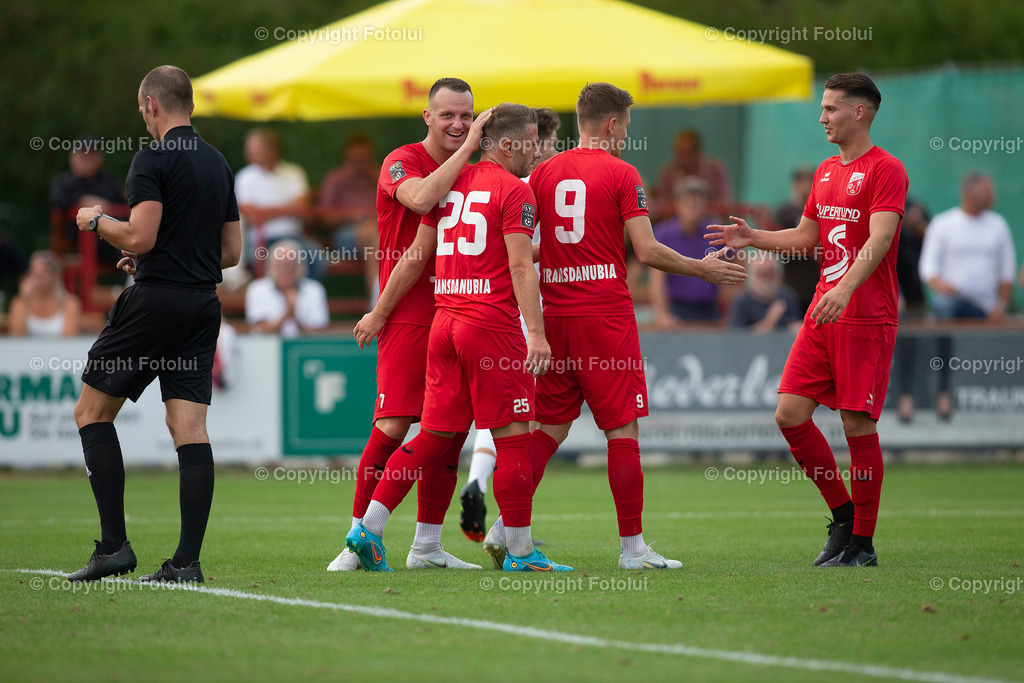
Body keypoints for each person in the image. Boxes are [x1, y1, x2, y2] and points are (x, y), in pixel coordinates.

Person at [480, 82, 744, 572]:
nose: (625, 135)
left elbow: (527, 245)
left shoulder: (542, 173)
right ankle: (633, 550)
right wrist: (702, 268)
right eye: (626, 126)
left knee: (548, 429)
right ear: (613, 123)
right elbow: (647, 250)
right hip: (605, 317)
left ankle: (505, 528)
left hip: (555, 317)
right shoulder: (623, 173)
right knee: (622, 431)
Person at [346, 103, 575, 573]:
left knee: (432, 436)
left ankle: (367, 528)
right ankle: (520, 552)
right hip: (489, 326)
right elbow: (519, 266)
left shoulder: (450, 184)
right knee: (514, 439)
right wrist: (536, 333)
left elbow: (416, 254)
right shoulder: (515, 191)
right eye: (532, 143)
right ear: (508, 145)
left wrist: (378, 311)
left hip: (444, 324)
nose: (537, 153)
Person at [706, 72, 908, 567]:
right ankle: (844, 516)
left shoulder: (886, 170)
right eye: (822, 108)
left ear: (859, 111)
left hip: (865, 315)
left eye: (831, 108)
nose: (822, 117)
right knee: (789, 414)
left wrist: (845, 288)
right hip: (824, 312)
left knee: (856, 425)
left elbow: (881, 239)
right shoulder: (825, 171)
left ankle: (863, 543)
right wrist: (753, 237)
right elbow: (804, 237)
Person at [68, 65, 241, 583]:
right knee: (189, 428)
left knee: (91, 412)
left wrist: (96, 220)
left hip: (155, 303)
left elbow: (139, 236)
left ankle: (114, 547)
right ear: (191, 104)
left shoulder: (152, 157)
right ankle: (186, 562)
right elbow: (230, 252)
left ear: (151, 105)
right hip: (202, 304)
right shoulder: (217, 162)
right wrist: (161, 258)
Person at [325, 78, 492, 572]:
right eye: (448, 115)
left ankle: (427, 546)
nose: (458, 125)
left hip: (458, 311)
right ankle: (356, 540)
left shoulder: (476, 171)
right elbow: (420, 199)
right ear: (428, 116)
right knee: (393, 424)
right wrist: (379, 312)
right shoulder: (401, 160)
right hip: (408, 312)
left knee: (448, 432)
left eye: (466, 117)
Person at [458, 106, 562, 543]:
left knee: (493, 414)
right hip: (515, 305)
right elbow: (517, 257)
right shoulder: (523, 184)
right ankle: (512, 529)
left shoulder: (470, 180)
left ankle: (478, 484)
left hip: (466, 305)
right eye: (542, 143)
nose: (544, 151)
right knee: (519, 420)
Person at [919, 172, 1016, 321]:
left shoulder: (998, 225)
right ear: (969, 193)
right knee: (943, 304)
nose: (992, 196)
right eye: (987, 191)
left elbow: (1007, 268)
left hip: (987, 307)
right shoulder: (942, 224)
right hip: (952, 303)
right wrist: (941, 286)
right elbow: (927, 267)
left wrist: (1001, 305)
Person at [234, 128, 321, 278]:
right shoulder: (244, 177)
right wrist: (289, 208)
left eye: (254, 150)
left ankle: (299, 292)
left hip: (294, 237)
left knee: (317, 260)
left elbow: (302, 209)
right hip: (260, 241)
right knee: (275, 265)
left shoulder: (294, 173)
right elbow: (250, 217)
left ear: (272, 151)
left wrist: (263, 212)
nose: (247, 155)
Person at [650, 177, 725, 326]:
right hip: (676, 309)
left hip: (709, 309)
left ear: (706, 207)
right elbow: (657, 279)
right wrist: (662, 314)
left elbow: (735, 268)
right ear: (678, 205)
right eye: (689, 204)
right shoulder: (664, 234)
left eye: (698, 205)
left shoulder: (715, 233)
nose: (693, 210)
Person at [317, 133, 380, 304]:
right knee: (372, 235)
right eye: (356, 159)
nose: (360, 163)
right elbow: (324, 216)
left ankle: (379, 301)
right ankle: (379, 302)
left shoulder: (381, 176)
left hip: (379, 233)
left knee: (375, 237)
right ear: (347, 156)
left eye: (364, 159)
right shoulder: (336, 179)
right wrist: (351, 216)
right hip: (345, 238)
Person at [49, 137, 128, 260]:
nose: (87, 161)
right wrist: (82, 201)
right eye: (83, 156)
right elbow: (58, 200)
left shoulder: (107, 182)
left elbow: (120, 203)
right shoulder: (64, 183)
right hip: (79, 238)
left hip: (109, 235)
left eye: (91, 156)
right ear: (73, 158)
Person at [245, 238, 329, 337]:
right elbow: (261, 332)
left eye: (291, 265)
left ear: (301, 267)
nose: (286, 270)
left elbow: (318, 332)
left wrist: (295, 317)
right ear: (271, 267)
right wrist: (287, 313)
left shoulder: (315, 290)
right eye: (281, 265)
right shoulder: (257, 290)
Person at [654, 129, 733, 219]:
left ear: (697, 151)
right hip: (675, 222)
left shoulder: (715, 169)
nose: (681, 156)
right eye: (678, 152)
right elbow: (663, 207)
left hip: (709, 221)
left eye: (686, 152)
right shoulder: (668, 172)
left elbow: (724, 204)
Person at [773, 166, 818, 312]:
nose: (808, 186)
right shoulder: (785, 212)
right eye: (805, 181)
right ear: (796, 184)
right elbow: (776, 243)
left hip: (814, 282)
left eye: (811, 182)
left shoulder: (819, 210)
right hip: (792, 280)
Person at [7, 250, 81, 336]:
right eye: (34, 275)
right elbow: (16, 336)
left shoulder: (69, 303)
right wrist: (25, 300)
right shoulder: (20, 302)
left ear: (55, 276)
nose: (37, 280)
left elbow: (69, 338)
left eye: (42, 275)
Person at [728, 253, 801, 333]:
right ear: (752, 275)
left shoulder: (787, 296)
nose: (766, 279)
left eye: (770, 274)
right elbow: (737, 336)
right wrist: (770, 320)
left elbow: (795, 325)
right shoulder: (741, 301)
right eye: (762, 274)